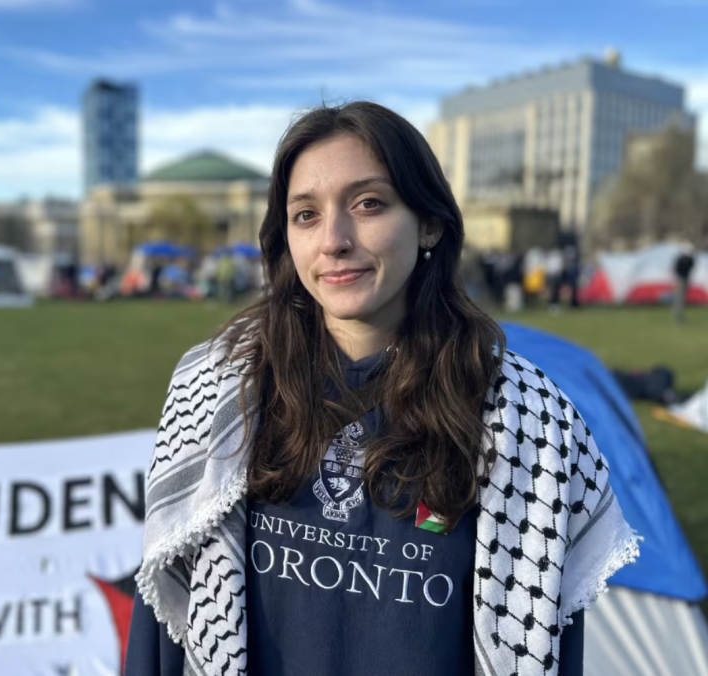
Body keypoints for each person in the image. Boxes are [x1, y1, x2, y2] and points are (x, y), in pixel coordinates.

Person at [127, 102, 637, 676]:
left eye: (368, 204)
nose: (334, 241)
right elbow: (164, 628)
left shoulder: (528, 422)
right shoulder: (218, 389)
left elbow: (543, 638)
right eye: (306, 215)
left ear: (430, 223)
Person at [673, 242, 696, 324]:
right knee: (680, 298)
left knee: (682, 297)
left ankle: (680, 315)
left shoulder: (689, 259)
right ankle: (679, 315)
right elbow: (676, 269)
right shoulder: (682, 259)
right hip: (681, 279)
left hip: (685, 278)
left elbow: (691, 266)